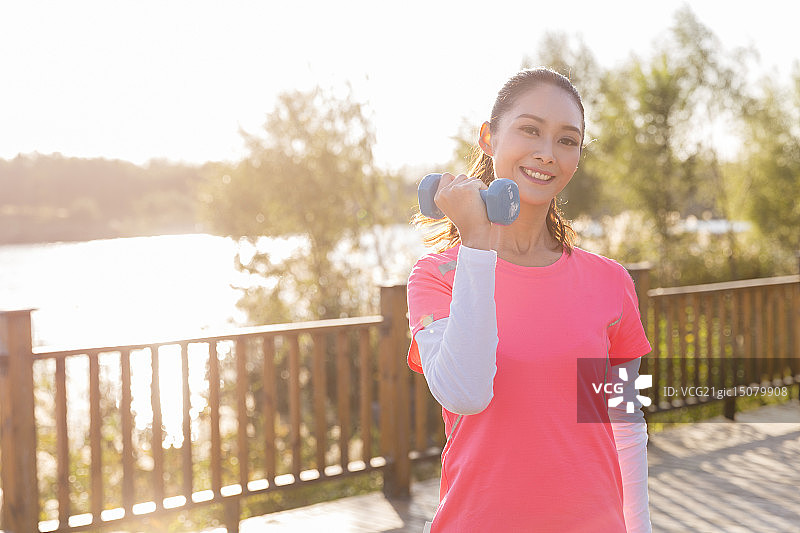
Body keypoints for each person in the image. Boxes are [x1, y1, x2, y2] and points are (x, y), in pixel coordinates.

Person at [406, 68, 652, 532]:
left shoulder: (610, 283)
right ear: (487, 138)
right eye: (530, 129)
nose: (547, 152)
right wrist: (477, 245)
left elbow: (625, 423)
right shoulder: (437, 276)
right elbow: (466, 392)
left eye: (567, 139)